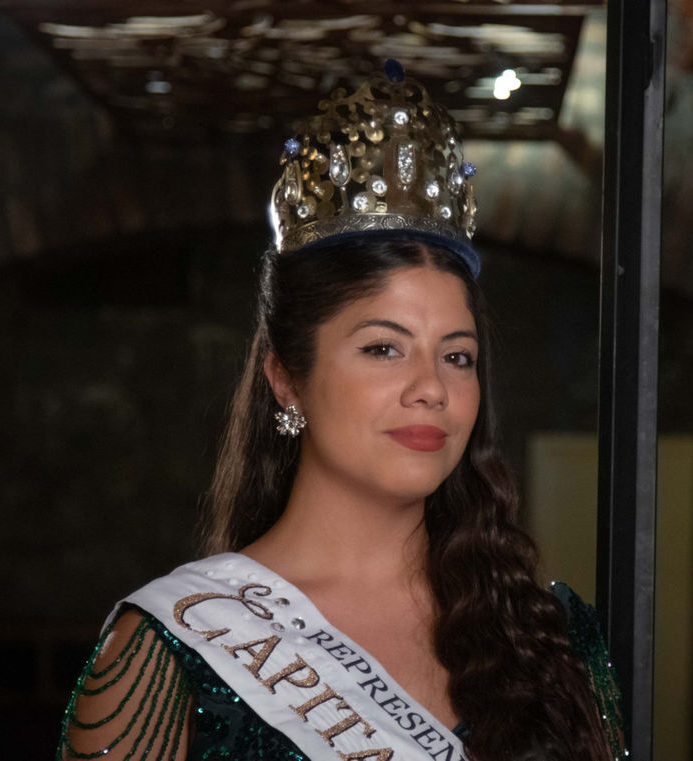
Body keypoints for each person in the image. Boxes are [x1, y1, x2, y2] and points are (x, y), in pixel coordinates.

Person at [57, 61, 625, 761]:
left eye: (457, 356)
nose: (431, 388)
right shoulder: (172, 651)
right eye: (384, 348)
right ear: (286, 379)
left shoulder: (549, 639)